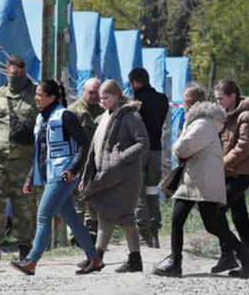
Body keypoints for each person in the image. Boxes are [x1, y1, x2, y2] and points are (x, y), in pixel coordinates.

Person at [152, 83, 249, 279]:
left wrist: (178, 149)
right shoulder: (200, 121)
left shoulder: (202, 123)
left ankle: (244, 255)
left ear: (190, 103)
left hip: (200, 180)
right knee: (198, 222)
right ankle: (244, 256)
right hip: (197, 178)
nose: (183, 105)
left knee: (208, 223)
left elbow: (182, 148)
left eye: (185, 101)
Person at [10, 80, 103, 276]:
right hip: (49, 175)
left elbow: (84, 144)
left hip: (63, 175)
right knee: (72, 220)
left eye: (39, 94)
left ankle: (32, 261)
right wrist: (30, 177)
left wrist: (73, 169)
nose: (35, 97)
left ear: (51, 97)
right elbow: (40, 153)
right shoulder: (41, 118)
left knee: (43, 216)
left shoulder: (65, 116)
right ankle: (94, 258)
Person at [79, 79, 149, 273]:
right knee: (114, 215)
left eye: (106, 98)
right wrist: (88, 176)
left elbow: (143, 143)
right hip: (108, 175)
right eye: (101, 99)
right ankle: (128, 259)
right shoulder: (104, 118)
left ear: (117, 96)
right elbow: (95, 150)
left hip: (125, 177)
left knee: (115, 215)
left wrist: (120, 158)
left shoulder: (130, 116)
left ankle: (98, 258)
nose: (102, 102)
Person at [0, 56, 39, 263]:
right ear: (7, 73)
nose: (18, 77)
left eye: (21, 74)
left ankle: (24, 247)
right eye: (14, 74)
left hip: (25, 159)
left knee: (25, 204)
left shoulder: (35, 95)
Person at [210, 79, 249, 275]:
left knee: (217, 211)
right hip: (232, 172)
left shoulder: (246, 116)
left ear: (232, 97)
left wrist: (220, 166)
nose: (218, 102)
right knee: (240, 218)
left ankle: (230, 255)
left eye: (221, 98)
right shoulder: (227, 115)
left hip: (242, 173)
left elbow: (243, 147)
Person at [128, 67, 170, 248]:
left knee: (138, 191)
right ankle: (154, 228)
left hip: (139, 151)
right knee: (153, 190)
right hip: (156, 151)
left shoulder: (137, 102)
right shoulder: (162, 99)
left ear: (135, 83)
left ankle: (144, 232)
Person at [67, 77, 104, 243]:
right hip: (78, 162)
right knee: (77, 201)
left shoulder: (103, 111)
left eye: (98, 93)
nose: (95, 96)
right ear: (84, 91)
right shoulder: (74, 111)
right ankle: (74, 236)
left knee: (94, 200)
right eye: (91, 92)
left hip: (96, 163)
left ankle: (91, 233)